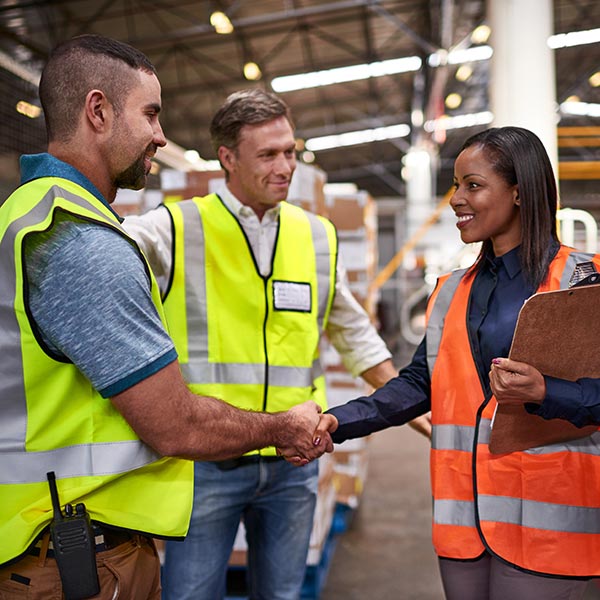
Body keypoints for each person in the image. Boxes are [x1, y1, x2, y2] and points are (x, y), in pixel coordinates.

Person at [0, 35, 329, 600]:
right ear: (97, 111)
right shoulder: (83, 245)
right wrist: (281, 427)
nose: (161, 134)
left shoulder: (29, 212)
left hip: (59, 536)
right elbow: (175, 424)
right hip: (75, 554)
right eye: (150, 114)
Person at [122, 87, 424, 600]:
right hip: (207, 465)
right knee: (190, 594)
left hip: (295, 461)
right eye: (268, 155)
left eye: (290, 152)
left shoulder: (316, 235)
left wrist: (417, 413)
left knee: (282, 595)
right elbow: (99, 248)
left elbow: (352, 332)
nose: (286, 166)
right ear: (228, 158)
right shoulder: (174, 228)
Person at [315, 126, 600, 600]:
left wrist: (546, 393)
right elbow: (420, 382)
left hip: (551, 529)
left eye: (472, 184)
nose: (455, 200)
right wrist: (336, 421)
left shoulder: (582, 281)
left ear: (518, 192)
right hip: (463, 526)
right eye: (454, 184)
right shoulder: (449, 290)